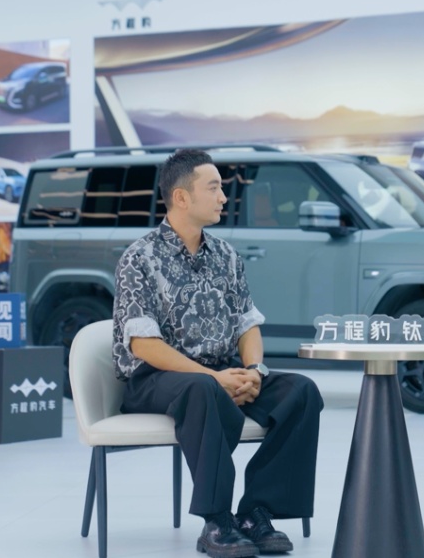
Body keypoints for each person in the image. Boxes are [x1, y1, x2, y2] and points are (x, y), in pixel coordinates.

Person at [112, 148, 324, 558]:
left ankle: (256, 512)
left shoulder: (226, 255)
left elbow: (247, 323)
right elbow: (143, 344)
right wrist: (214, 378)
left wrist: (254, 370)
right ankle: (217, 521)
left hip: (222, 372)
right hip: (156, 378)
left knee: (301, 392)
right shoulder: (139, 257)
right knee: (203, 390)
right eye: (213, 188)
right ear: (181, 197)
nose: (224, 198)